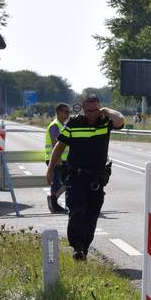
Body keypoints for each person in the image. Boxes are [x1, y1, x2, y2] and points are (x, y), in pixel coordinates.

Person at [45, 95, 126, 260]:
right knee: (76, 211)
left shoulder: (105, 121)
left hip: (96, 179)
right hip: (76, 176)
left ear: (99, 108)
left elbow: (120, 120)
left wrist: (105, 111)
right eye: (88, 111)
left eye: (95, 110)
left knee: (92, 215)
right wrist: (50, 169)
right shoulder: (74, 123)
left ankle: (85, 248)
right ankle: (77, 247)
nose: (92, 114)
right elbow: (60, 147)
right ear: (83, 109)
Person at [44, 103, 71, 213]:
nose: (68, 114)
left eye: (68, 112)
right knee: (57, 183)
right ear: (59, 112)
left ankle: (54, 202)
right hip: (56, 160)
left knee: (67, 182)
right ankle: (54, 204)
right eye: (65, 112)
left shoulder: (62, 125)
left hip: (62, 160)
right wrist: (57, 159)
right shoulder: (55, 125)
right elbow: (55, 143)